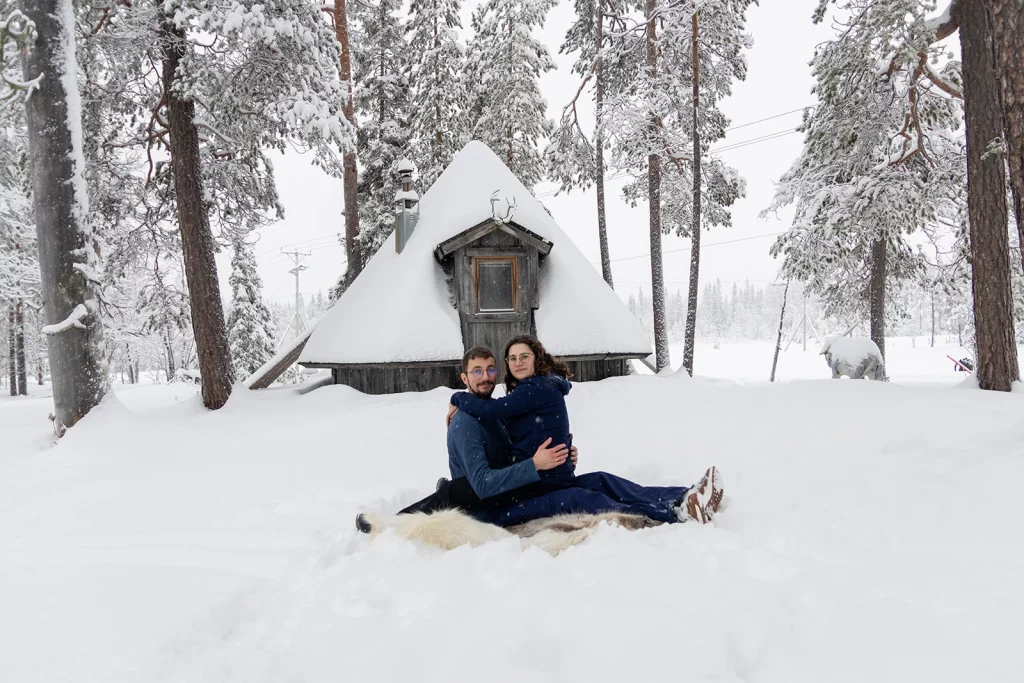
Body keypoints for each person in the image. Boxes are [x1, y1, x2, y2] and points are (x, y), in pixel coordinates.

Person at [356, 342, 723, 533]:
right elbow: (482, 485)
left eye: (489, 369)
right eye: (476, 372)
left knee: (599, 479)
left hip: (518, 490)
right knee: (580, 497)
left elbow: (516, 443)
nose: (485, 377)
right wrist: (535, 466)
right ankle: (672, 514)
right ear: (463, 378)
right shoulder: (466, 422)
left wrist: (561, 455)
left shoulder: (489, 408)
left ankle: (683, 495)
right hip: (493, 509)